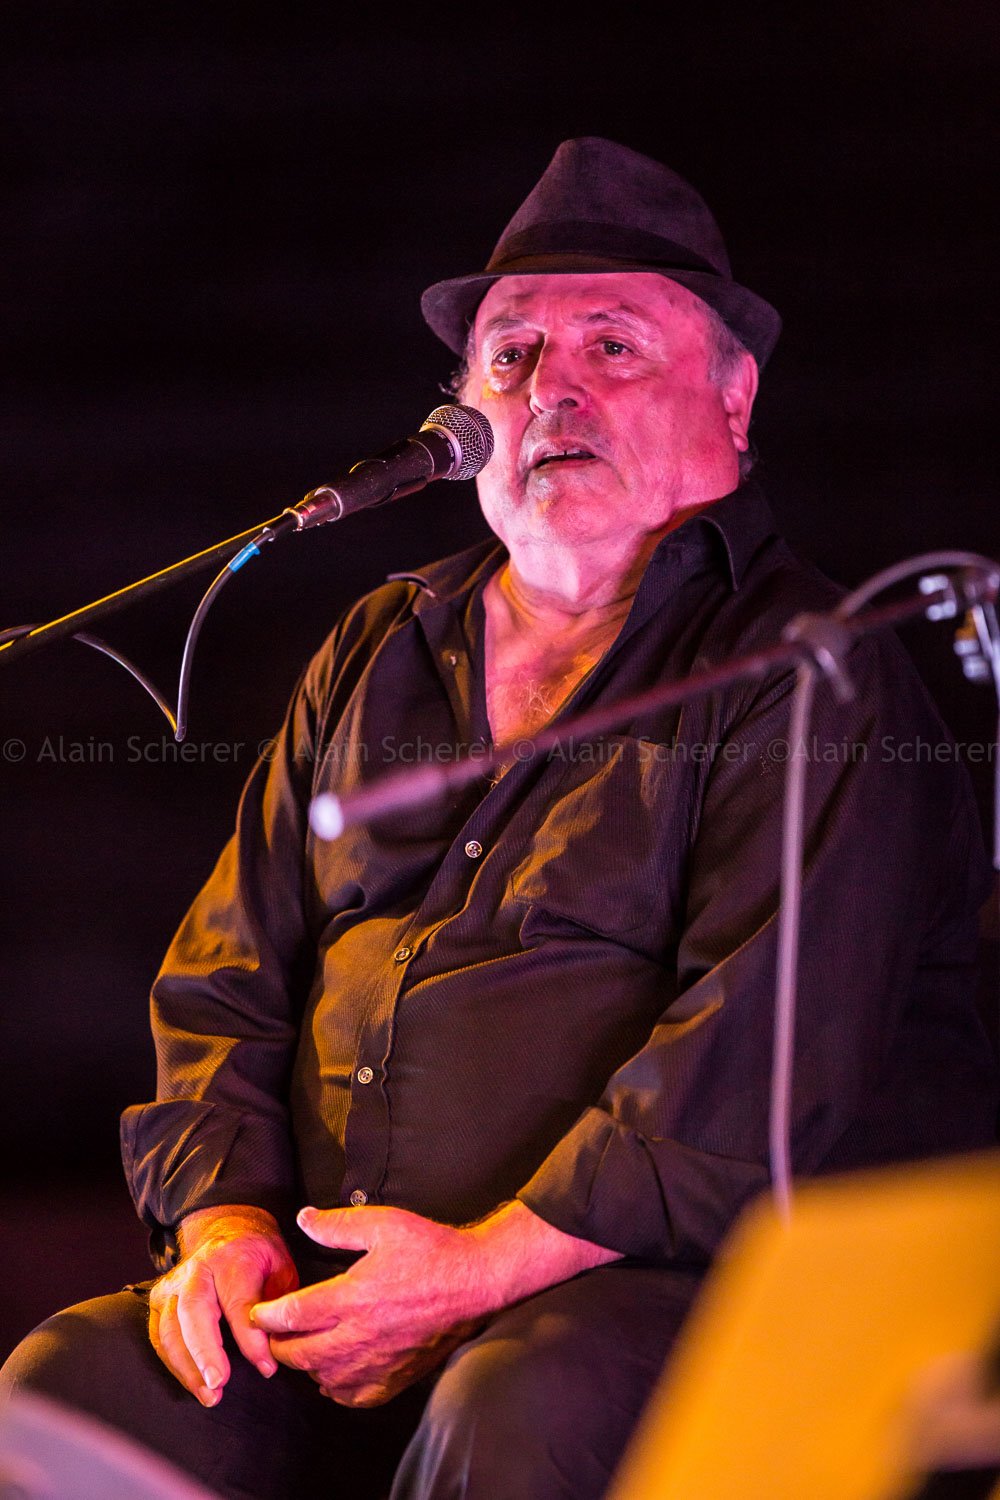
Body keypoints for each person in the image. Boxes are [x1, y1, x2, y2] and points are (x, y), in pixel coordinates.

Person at [2, 137, 997, 1500]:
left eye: (613, 346)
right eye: (512, 354)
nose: (551, 387)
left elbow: (758, 1052)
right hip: (323, 1282)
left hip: (648, 1287)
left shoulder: (808, 667)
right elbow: (227, 974)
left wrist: (480, 1269)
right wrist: (223, 1220)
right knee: (69, 1389)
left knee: (517, 1406)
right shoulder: (379, 642)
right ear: (460, 413)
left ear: (735, 398)